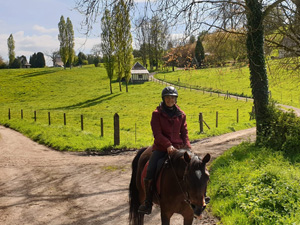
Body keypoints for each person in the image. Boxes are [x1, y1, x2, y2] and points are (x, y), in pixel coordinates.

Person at [138, 86, 191, 215]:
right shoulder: (156, 114)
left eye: (172, 97)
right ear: (163, 99)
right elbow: (157, 133)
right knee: (150, 168)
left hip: (178, 149)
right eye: (167, 98)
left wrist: (188, 147)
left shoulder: (181, 114)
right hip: (161, 148)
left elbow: (184, 132)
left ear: (176, 99)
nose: (170, 100)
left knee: (193, 168)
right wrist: (167, 145)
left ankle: (196, 198)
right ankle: (148, 202)